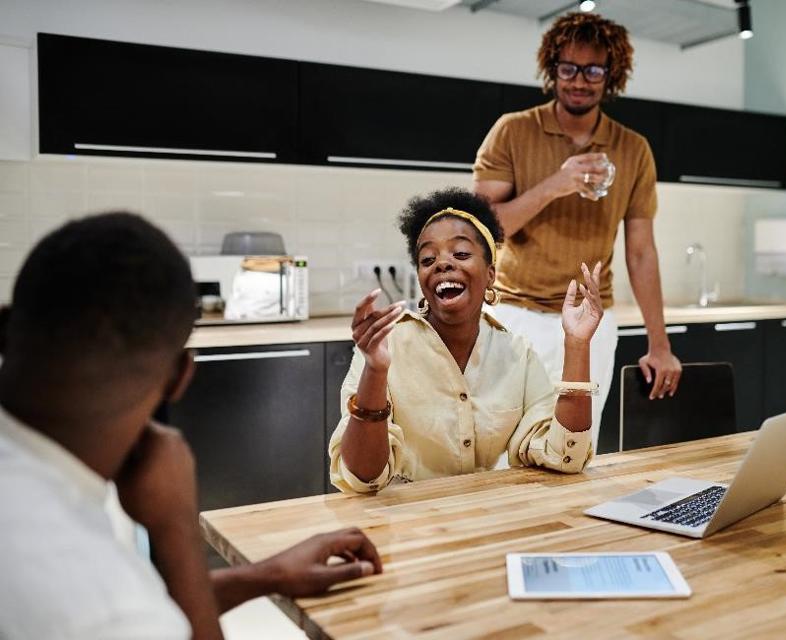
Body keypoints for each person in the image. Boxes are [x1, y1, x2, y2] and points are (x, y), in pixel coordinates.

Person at [0, 212, 382, 640]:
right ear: (180, 375)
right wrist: (176, 529)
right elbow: (128, 613)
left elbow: (147, 601)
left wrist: (266, 576)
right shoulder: (97, 595)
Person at [473, 12, 683, 451]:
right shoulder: (512, 131)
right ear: (552, 69)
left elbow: (641, 253)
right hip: (514, 315)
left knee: (574, 446)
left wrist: (659, 344)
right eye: (568, 68)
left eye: (593, 70)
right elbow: (484, 228)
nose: (579, 81)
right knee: (501, 449)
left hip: (591, 323)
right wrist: (555, 184)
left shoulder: (633, 148)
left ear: (611, 76)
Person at [328, 187, 603, 493]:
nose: (442, 264)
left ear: (490, 275)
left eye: (460, 253)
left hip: (479, 519)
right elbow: (361, 476)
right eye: (428, 259)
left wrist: (578, 345)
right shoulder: (385, 346)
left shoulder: (515, 354)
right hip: (400, 524)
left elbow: (565, 457)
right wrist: (376, 372)